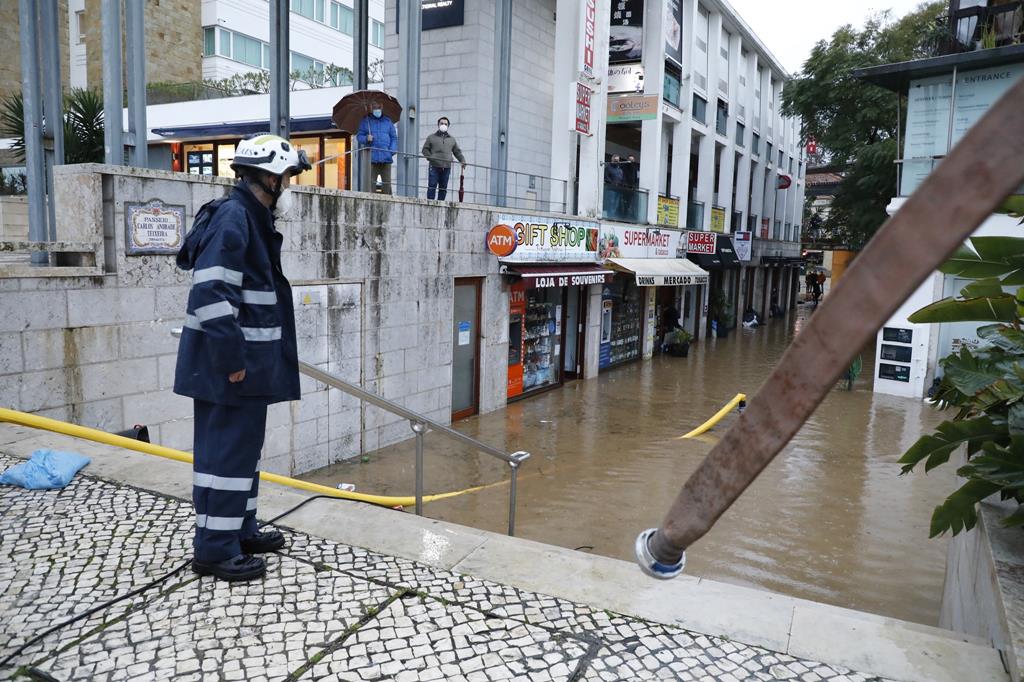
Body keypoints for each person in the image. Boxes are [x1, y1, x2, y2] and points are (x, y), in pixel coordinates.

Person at [173, 133, 311, 582]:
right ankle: (214, 550)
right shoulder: (235, 218)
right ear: (270, 179)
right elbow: (212, 294)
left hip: (247, 367)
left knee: (243, 454)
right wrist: (232, 360)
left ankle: (240, 531)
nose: (287, 185)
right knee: (224, 458)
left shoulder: (251, 216)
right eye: (286, 177)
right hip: (230, 368)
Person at [356, 101, 398, 195]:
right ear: (371, 108)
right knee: (370, 186)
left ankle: (387, 201)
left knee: (387, 186)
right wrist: (366, 138)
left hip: (386, 158)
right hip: (371, 158)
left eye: (378, 107)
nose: (377, 109)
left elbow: (394, 138)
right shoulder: (366, 121)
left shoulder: (388, 121)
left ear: (382, 107)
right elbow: (359, 136)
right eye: (375, 107)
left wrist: (391, 151)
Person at [422, 116, 466, 201]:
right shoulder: (431, 137)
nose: (443, 125)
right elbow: (425, 150)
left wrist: (462, 160)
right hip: (434, 166)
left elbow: (457, 152)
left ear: (448, 126)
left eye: (445, 124)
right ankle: (430, 203)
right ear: (438, 125)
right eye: (442, 123)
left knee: (443, 187)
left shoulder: (452, 139)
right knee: (432, 185)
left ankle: (441, 204)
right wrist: (431, 158)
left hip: (446, 167)